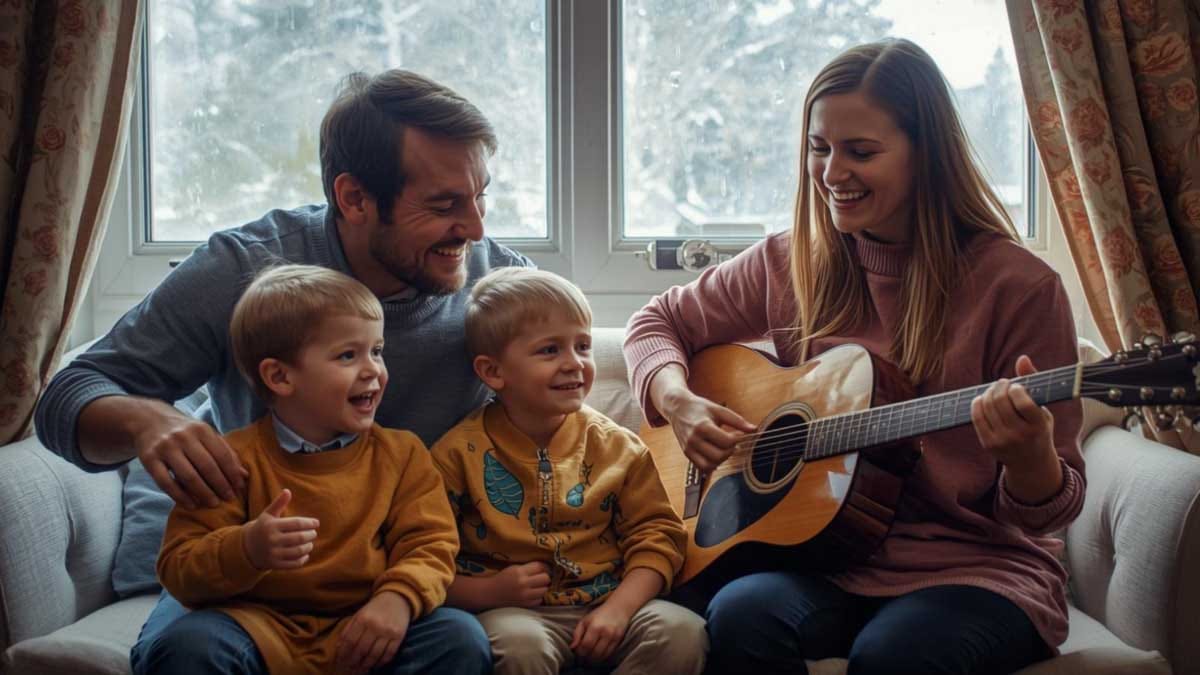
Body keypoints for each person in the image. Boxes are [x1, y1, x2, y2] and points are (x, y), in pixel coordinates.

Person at [35, 69, 531, 673]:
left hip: (399, 579)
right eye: (445, 204)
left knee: (459, 645)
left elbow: (576, 408)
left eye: (482, 196)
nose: (477, 229)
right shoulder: (245, 270)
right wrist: (144, 420)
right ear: (353, 198)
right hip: (249, 586)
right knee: (185, 652)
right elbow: (65, 396)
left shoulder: (500, 286)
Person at [622, 38, 1084, 675]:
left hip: (973, 567)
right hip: (824, 556)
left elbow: (1052, 506)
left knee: (896, 656)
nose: (832, 173)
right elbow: (656, 322)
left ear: (927, 155)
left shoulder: (1020, 288)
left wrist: (1030, 460)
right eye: (819, 148)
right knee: (740, 612)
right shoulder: (790, 261)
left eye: (861, 151)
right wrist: (678, 403)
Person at [157, 265, 459, 674]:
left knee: (459, 639)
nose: (373, 370)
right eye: (348, 355)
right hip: (257, 627)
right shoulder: (233, 459)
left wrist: (398, 599)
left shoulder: (402, 455)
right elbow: (179, 567)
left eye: (377, 351)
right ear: (280, 376)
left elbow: (432, 544)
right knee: (189, 646)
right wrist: (247, 549)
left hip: (368, 623)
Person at [431, 267, 707, 674]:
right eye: (549, 350)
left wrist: (618, 609)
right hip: (512, 612)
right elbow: (423, 554)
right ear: (493, 371)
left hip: (611, 601)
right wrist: (489, 591)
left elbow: (658, 537)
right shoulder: (457, 454)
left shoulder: (619, 446)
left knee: (682, 631)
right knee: (520, 648)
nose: (574, 363)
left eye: (583, 346)